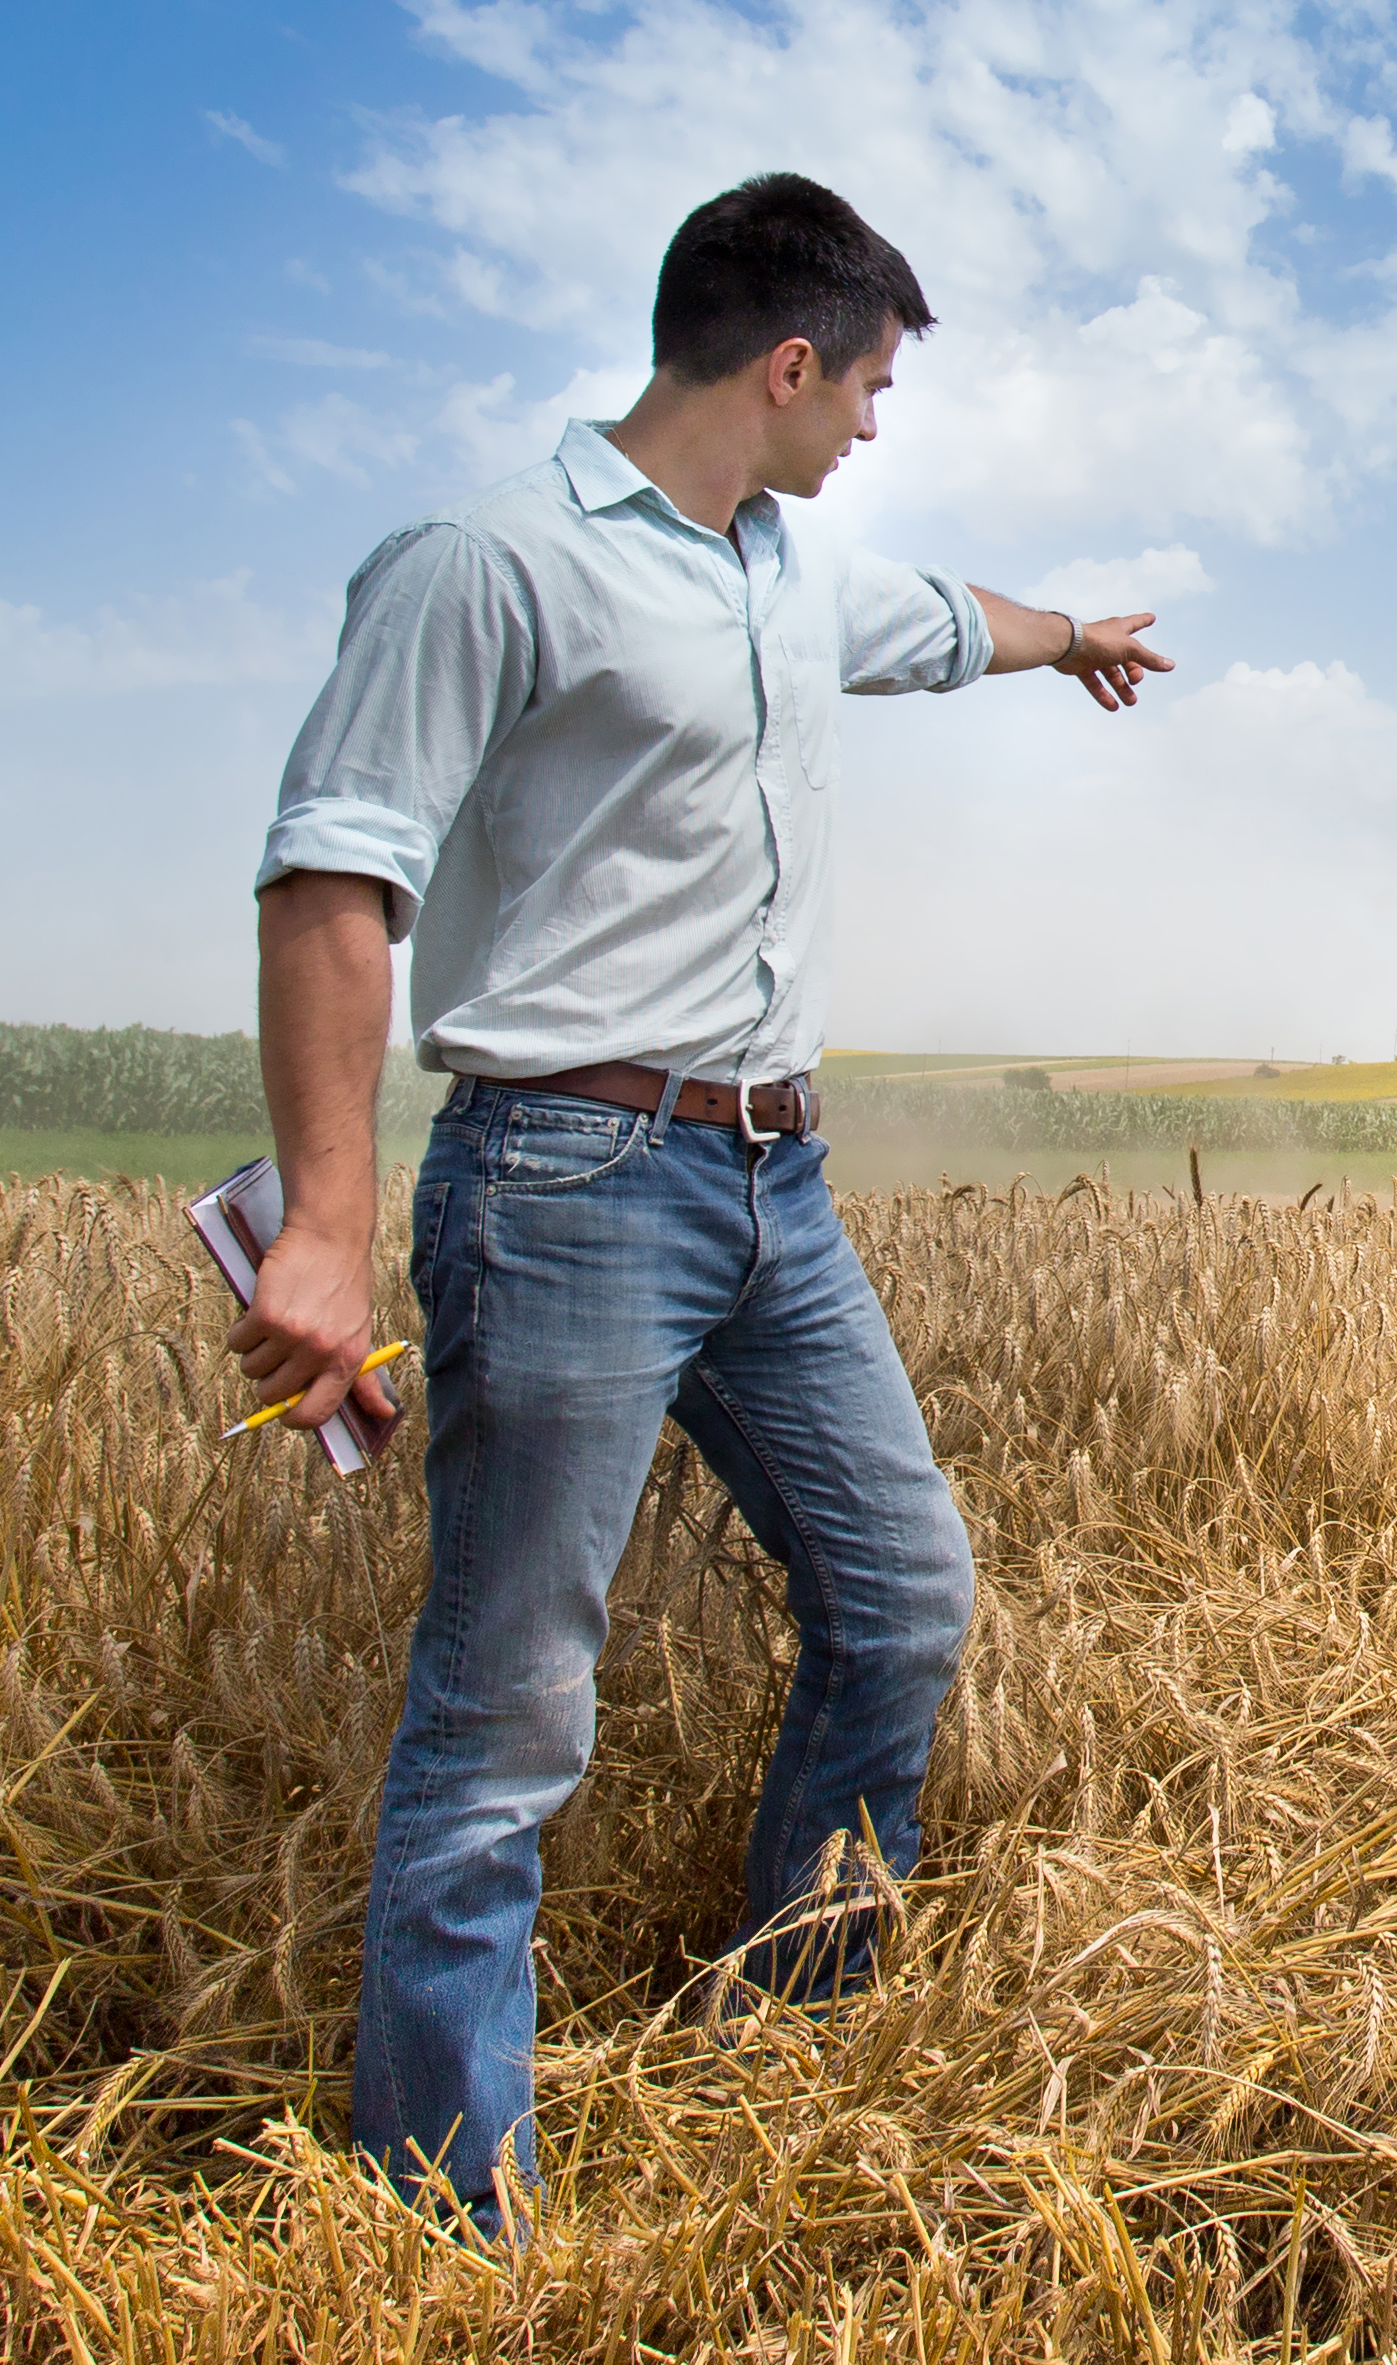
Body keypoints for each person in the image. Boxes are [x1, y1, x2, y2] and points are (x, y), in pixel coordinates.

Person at [231, 172, 1170, 2228]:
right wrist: (318, 1222)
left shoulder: (787, 574)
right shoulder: (489, 563)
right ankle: (440, 2211)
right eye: (871, 389)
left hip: (773, 1184)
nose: (872, 429)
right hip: (562, 1177)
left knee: (904, 1594)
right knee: (505, 1720)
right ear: (786, 361)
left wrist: (1073, 640)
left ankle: (787, 2052)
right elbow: (333, 873)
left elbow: (946, 625)